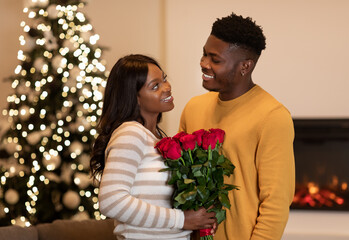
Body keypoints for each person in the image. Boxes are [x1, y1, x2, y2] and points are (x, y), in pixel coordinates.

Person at [179, 14, 295, 240]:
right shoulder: (193, 108)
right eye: (204, 53)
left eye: (215, 59)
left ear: (245, 66)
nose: (204, 63)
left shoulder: (273, 116)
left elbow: (276, 202)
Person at [90, 54, 216, 240]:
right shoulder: (130, 134)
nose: (167, 87)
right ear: (135, 98)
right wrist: (181, 220)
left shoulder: (156, 138)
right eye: (155, 86)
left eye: (164, 79)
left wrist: (199, 220)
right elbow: (111, 201)